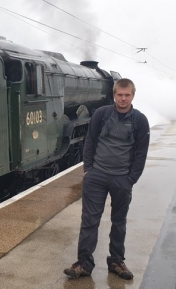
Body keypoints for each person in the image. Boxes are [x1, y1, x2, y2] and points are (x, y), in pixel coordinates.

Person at [64, 78, 150, 280]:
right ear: (114, 95)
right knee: (89, 221)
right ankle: (84, 263)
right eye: (119, 94)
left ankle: (116, 261)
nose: (123, 98)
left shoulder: (140, 120)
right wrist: (88, 170)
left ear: (133, 96)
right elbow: (90, 141)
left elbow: (141, 153)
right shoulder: (102, 114)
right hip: (97, 176)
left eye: (127, 95)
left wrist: (131, 179)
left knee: (118, 222)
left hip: (122, 179)